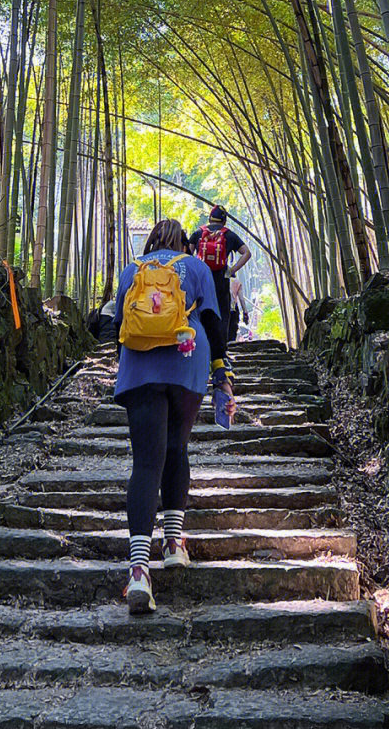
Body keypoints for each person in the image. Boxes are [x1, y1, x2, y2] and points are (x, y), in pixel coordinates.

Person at [113, 218, 230, 614]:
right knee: (177, 448)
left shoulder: (134, 270)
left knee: (146, 463)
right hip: (186, 365)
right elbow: (214, 325)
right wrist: (220, 373)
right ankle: (175, 543)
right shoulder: (196, 267)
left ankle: (139, 571)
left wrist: (128, 372)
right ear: (184, 242)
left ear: (150, 242)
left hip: (139, 370)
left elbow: (118, 328)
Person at [188, 204, 251, 340]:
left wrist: (194, 271)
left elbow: (186, 255)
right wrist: (232, 270)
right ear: (224, 220)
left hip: (201, 281)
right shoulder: (229, 235)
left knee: (200, 311)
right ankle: (221, 353)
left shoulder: (198, 233)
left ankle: (202, 348)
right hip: (221, 280)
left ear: (210, 218)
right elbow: (247, 253)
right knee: (222, 313)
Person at [228, 275, 250, 343]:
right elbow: (241, 299)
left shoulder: (219, 280)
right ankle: (230, 346)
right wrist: (245, 312)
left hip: (222, 308)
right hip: (233, 308)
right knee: (232, 330)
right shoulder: (236, 282)